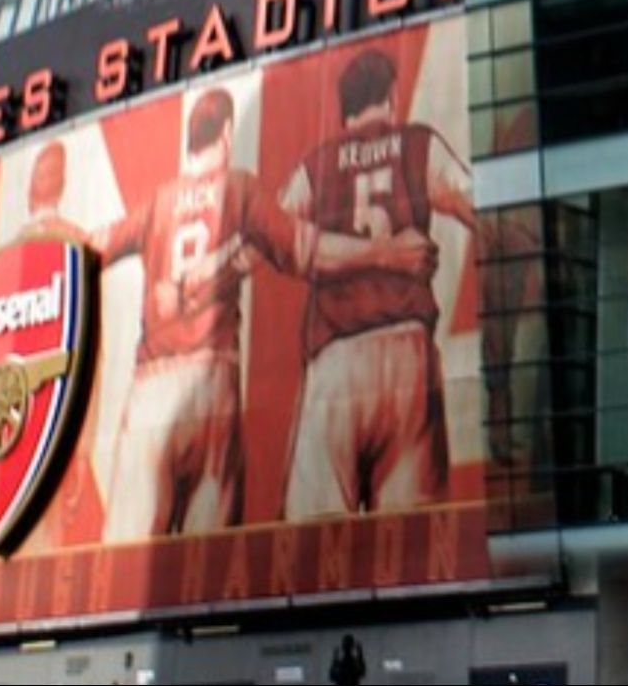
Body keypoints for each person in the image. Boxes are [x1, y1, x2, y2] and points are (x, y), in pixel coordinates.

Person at [94, 89, 425, 539]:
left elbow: (89, 247)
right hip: (213, 383)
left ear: (190, 142)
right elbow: (308, 249)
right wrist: (384, 253)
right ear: (228, 133)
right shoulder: (239, 188)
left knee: (126, 568)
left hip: (151, 385)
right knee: (204, 569)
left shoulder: (158, 203)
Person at [279, 48, 479, 519]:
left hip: (337, 357)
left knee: (315, 544)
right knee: (409, 542)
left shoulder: (317, 164)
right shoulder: (418, 143)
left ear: (344, 107)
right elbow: (477, 204)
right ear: (392, 96)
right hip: (406, 349)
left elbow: (275, 235)